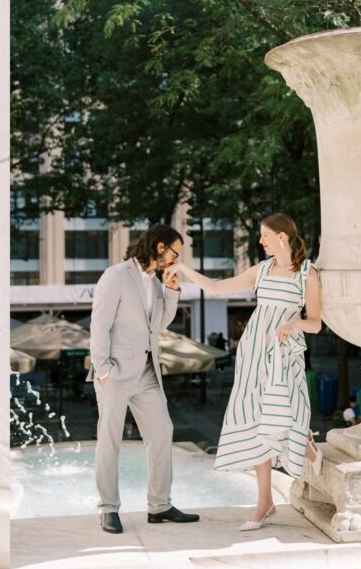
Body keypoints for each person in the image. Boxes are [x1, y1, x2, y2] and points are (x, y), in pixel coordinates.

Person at [168, 213, 322, 531]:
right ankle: (264, 502)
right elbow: (216, 287)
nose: (260, 240)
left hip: (284, 352)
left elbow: (316, 323)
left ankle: (305, 443)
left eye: (265, 235)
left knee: (285, 411)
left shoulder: (308, 273)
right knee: (255, 422)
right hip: (253, 350)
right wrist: (184, 270)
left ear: (283, 236)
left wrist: (294, 323)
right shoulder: (262, 269)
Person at [88, 224, 200, 534]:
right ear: (161, 247)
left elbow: (160, 324)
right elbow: (99, 325)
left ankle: (159, 505)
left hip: (148, 373)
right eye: (175, 253)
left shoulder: (155, 282)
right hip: (117, 373)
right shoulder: (116, 276)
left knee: (162, 432)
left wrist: (172, 290)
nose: (176, 259)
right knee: (109, 440)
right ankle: (108, 508)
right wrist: (103, 369)